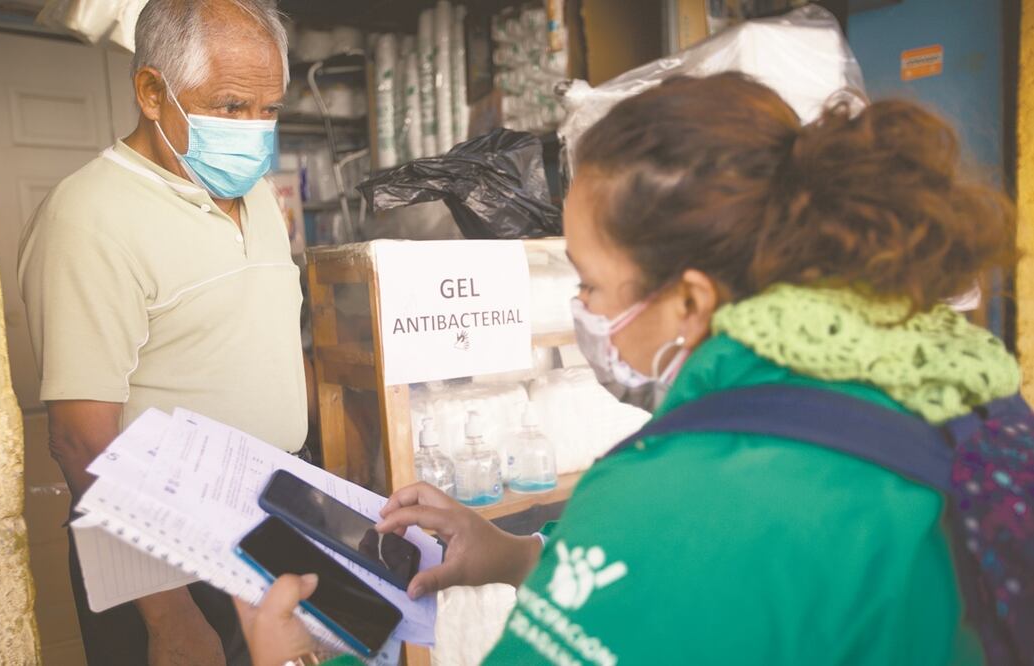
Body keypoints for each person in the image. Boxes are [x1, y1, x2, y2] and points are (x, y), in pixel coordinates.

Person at [237, 72, 1017, 665]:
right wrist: (514, 556)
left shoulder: (674, 489)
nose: (581, 307)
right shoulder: (932, 384)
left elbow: (693, 546)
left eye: (590, 282)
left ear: (688, 302)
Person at [17, 1, 308, 664]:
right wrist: (169, 614)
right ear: (152, 92)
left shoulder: (255, 195)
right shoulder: (89, 219)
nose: (256, 132)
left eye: (270, 109)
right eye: (233, 108)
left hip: (267, 515)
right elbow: (80, 438)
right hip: (161, 545)